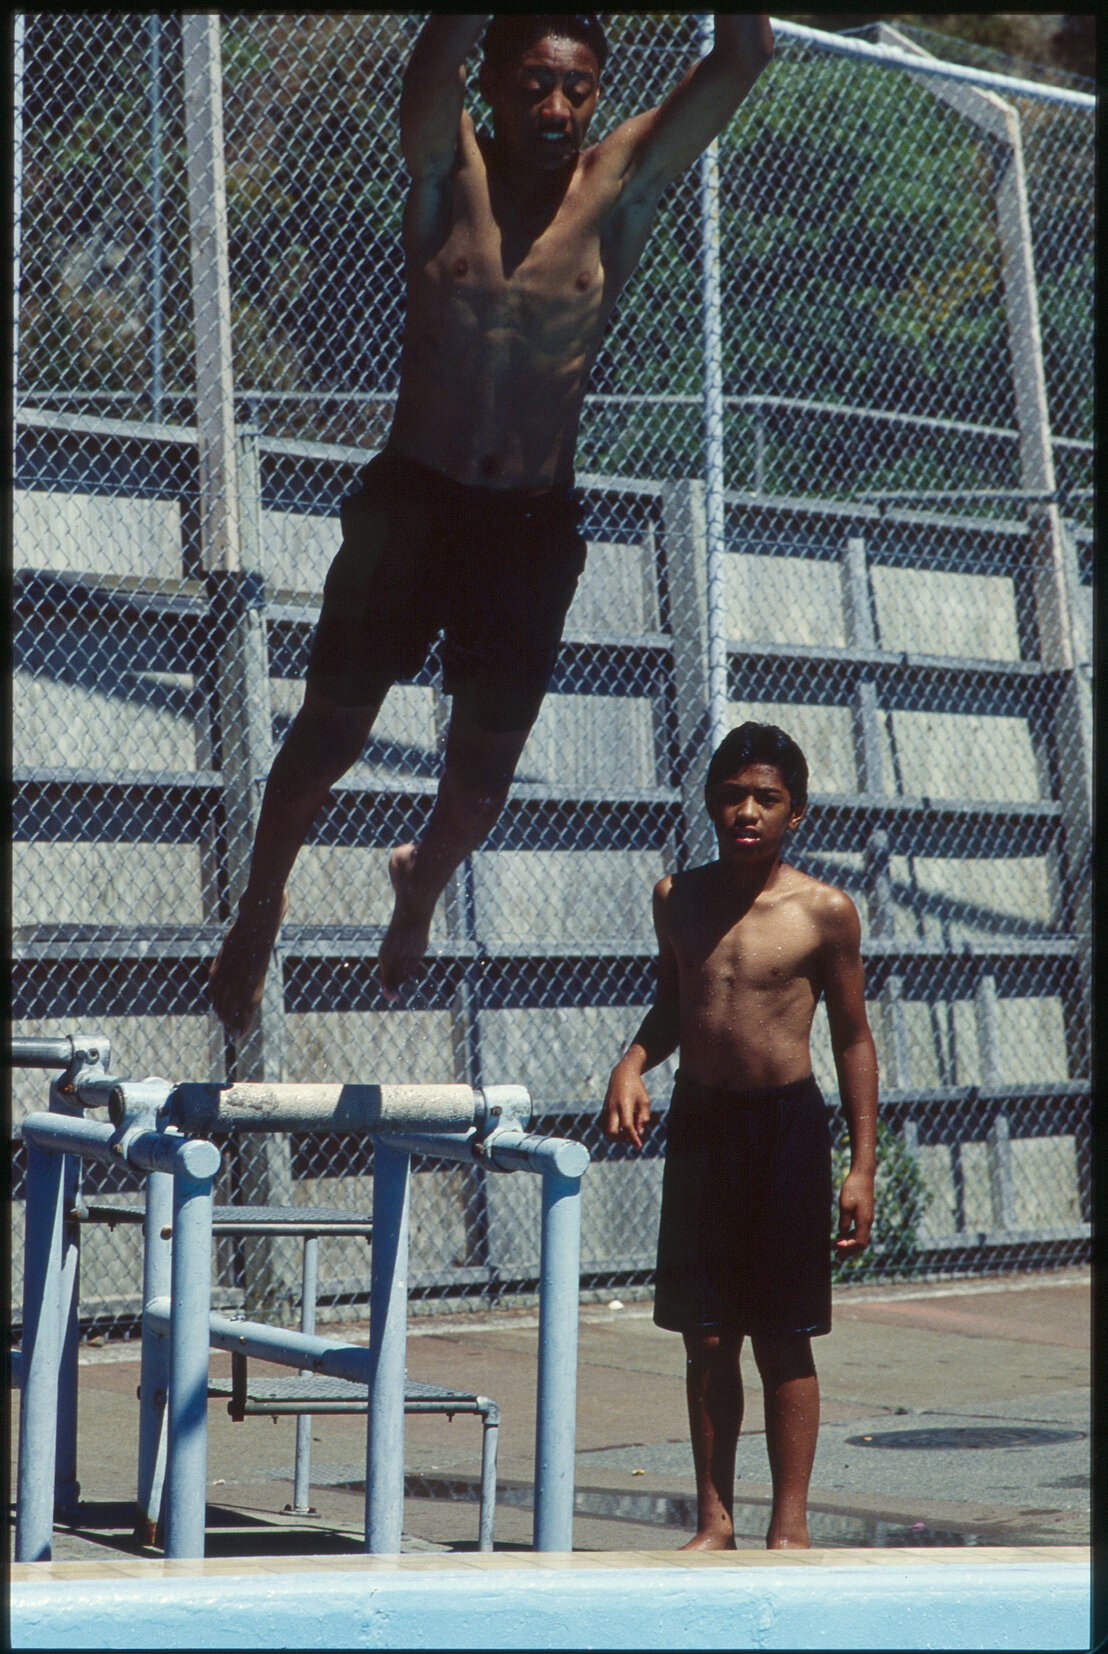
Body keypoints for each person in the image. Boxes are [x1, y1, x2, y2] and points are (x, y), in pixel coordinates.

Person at [209, 11, 775, 1037]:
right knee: (326, 739)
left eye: (577, 89)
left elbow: (743, 57)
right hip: (413, 505)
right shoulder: (448, 168)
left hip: (527, 526)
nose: (556, 109)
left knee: (476, 795)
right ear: (493, 85)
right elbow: (429, 61)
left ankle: (418, 882)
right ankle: (259, 910)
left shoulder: (617, 188)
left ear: (597, 95)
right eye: (533, 86)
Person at [601, 722, 878, 1549]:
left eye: (767, 798)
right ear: (709, 804)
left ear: (797, 812)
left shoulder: (824, 912)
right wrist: (632, 1061)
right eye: (732, 796)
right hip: (702, 1125)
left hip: (784, 1130)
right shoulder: (676, 898)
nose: (747, 812)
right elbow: (675, 1003)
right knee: (708, 1336)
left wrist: (862, 1166)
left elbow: (853, 1038)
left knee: (783, 1336)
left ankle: (789, 1528)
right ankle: (714, 1521)